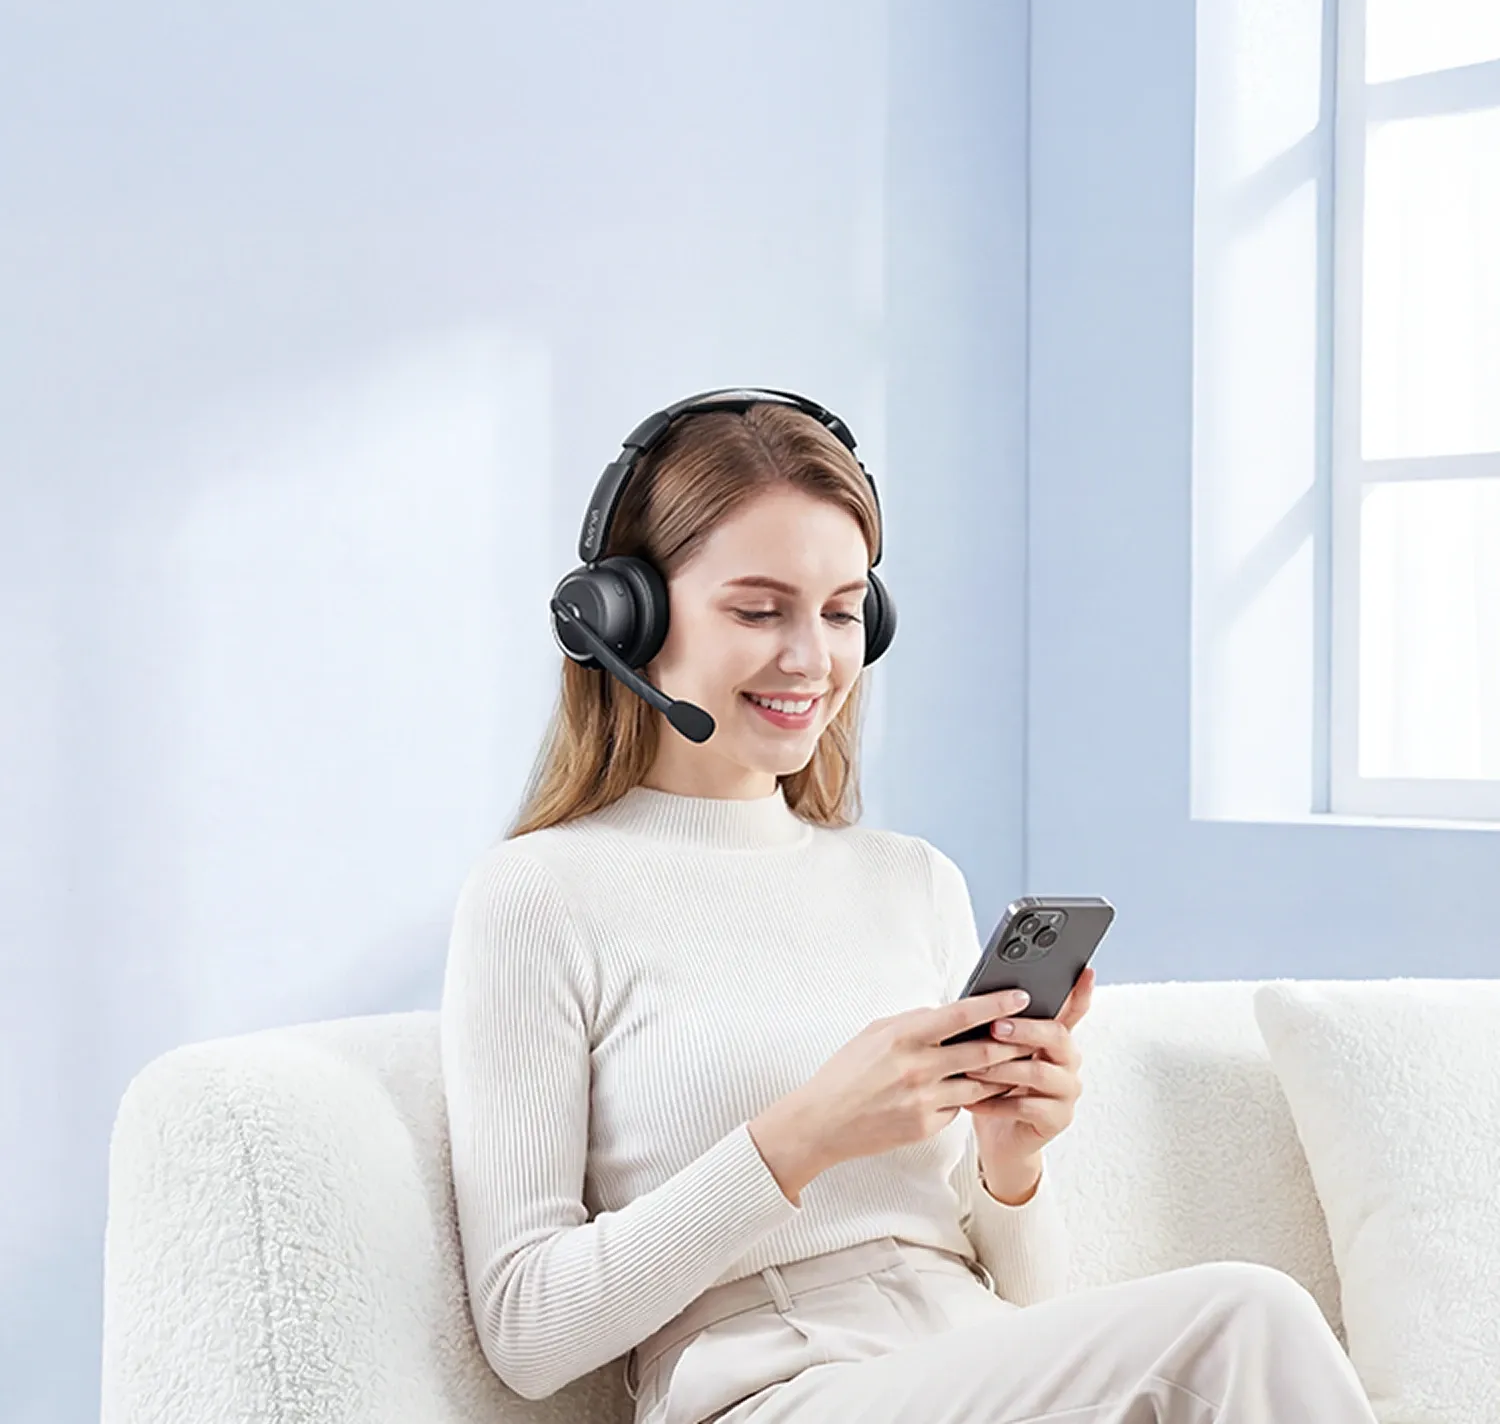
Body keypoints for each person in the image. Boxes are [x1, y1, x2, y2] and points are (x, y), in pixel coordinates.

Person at [439, 392, 1379, 1423]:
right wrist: (798, 1135)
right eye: (760, 609)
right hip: (769, 1390)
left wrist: (1012, 1161)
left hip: (967, 1352)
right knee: (1243, 1313)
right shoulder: (542, 894)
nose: (812, 657)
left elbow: (1024, 1301)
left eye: (844, 610)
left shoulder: (912, 879)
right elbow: (527, 1328)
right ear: (623, 616)